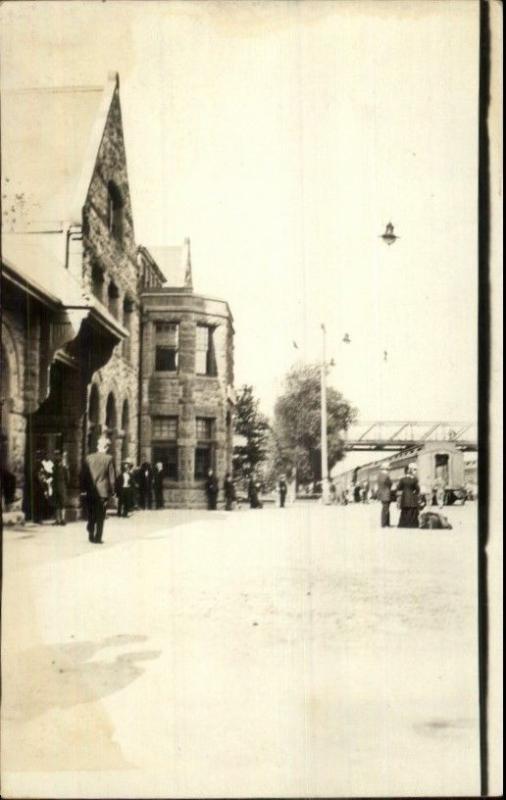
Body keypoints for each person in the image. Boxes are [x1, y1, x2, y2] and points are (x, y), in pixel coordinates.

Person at [81, 436, 116, 544]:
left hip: (90, 491)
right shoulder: (109, 458)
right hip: (103, 492)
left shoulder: (88, 458)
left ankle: (90, 529)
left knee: (91, 513)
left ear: (97, 446)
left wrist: (83, 489)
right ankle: (98, 537)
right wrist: (113, 491)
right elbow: (112, 478)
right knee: (100, 515)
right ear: (106, 447)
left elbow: (84, 475)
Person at [396, 463, 420, 529]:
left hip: (405, 497)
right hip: (412, 497)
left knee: (404, 510)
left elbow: (398, 488)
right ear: (411, 471)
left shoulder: (402, 479)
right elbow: (418, 489)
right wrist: (415, 492)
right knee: (412, 510)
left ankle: (404, 524)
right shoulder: (415, 479)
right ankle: (412, 524)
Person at [52, 451, 69, 526]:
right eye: (55, 455)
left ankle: (62, 519)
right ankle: (58, 520)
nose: (56, 457)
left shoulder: (63, 467)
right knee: (57, 504)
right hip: (58, 487)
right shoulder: (54, 466)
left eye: (57, 455)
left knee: (61, 504)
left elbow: (68, 478)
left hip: (61, 487)